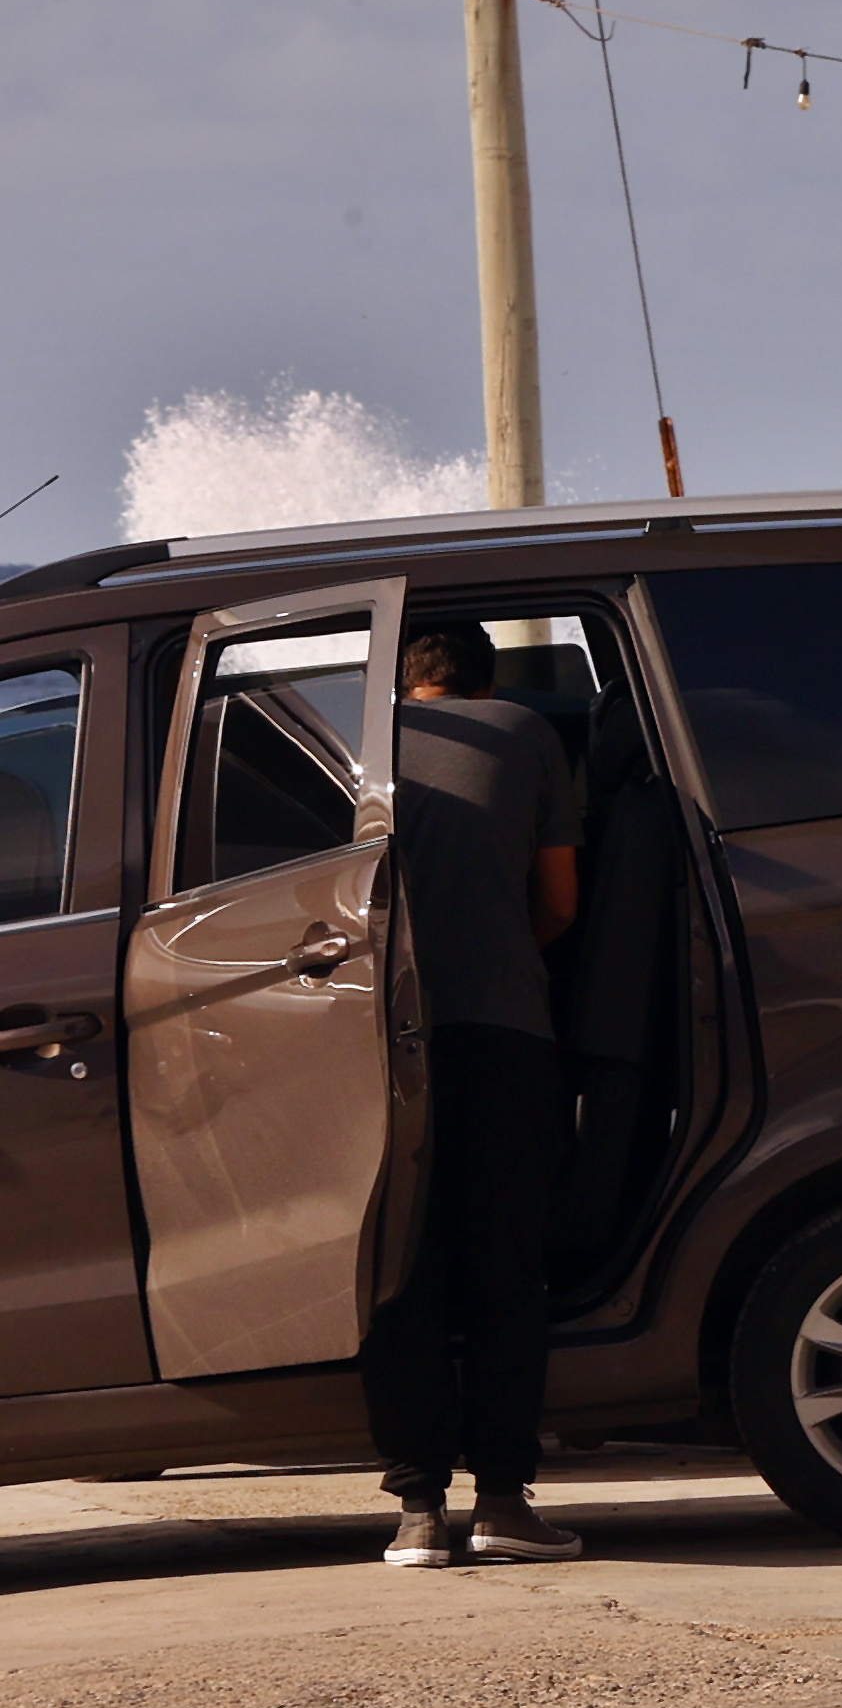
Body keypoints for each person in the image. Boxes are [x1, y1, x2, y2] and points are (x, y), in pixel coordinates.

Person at [365, 621, 585, 1571]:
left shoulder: (363, 746)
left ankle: (418, 1511)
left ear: (408, 678)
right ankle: (502, 1502)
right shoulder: (531, 735)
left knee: (400, 1265)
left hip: (379, 1042)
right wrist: (498, 963)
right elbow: (563, 902)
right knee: (504, 1267)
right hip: (505, 1034)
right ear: (487, 679)